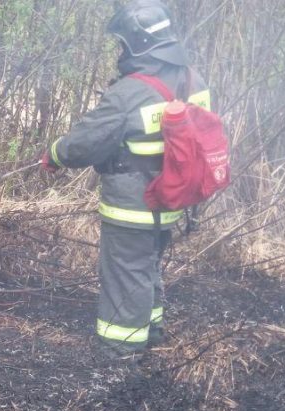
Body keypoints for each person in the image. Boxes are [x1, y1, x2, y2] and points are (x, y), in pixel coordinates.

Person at [41, 0, 213, 357]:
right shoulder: (193, 78)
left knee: (126, 272)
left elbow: (83, 145)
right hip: (172, 196)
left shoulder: (131, 91)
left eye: (123, 43)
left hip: (134, 202)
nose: (120, 50)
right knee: (147, 265)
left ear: (137, 43)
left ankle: (121, 352)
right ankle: (152, 331)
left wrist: (54, 154)